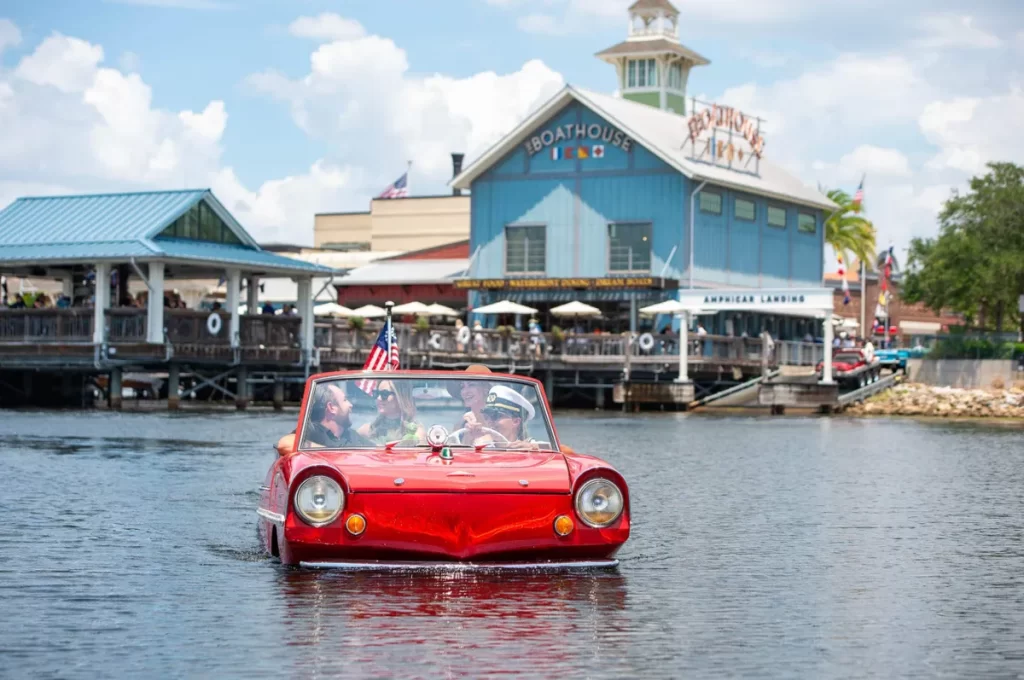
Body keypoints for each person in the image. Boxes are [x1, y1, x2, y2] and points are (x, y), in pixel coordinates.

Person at [466, 384, 546, 450]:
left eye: (496, 416)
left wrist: (535, 449)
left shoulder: (531, 447)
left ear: (516, 421)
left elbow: (549, 450)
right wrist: (470, 436)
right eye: (487, 417)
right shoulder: (483, 447)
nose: (490, 421)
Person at [300, 382, 374, 448]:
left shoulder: (352, 435)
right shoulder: (313, 431)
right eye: (345, 400)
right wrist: (325, 451)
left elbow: (378, 452)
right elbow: (289, 442)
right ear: (331, 408)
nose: (350, 405)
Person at [357, 379, 425, 445]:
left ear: (400, 396)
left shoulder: (416, 432)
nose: (378, 398)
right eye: (377, 393)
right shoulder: (367, 430)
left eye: (384, 394)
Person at [448, 364, 493, 438]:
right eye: (462, 386)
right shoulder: (460, 425)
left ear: (486, 389)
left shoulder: (497, 421)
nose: (465, 391)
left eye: (471, 385)